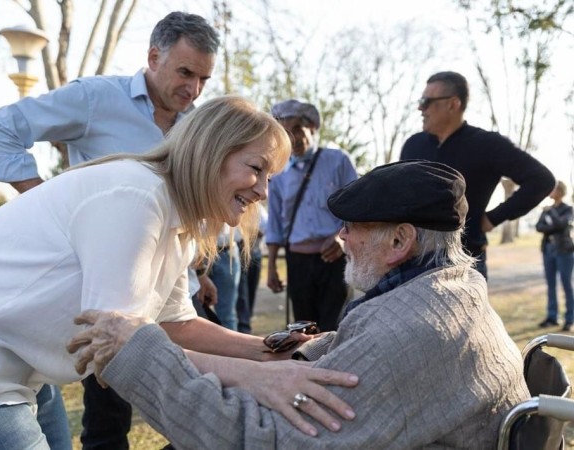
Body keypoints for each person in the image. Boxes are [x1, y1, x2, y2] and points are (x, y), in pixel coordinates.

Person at [0, 96, 360, 449]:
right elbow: (113, 345)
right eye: (257, 169)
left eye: (270, 178)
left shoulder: (178, 220)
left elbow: (175, 324)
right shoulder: (136, 197)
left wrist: (266, 351)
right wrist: (253, 377)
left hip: (22, 371)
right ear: (211, 152)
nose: (263, 192)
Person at [68, 160, 530, 449]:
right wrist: (295, 353)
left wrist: (141, 355)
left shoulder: (409, 330)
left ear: (399, 240)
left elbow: (263, 440)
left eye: (352, 226)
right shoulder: (455, 287)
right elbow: (368, 350)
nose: (341, 238)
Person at [0, 11, 220, 448]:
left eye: (203, 79)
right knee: (106, 418)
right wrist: (43, 199)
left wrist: (198, 271)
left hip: (143, 293)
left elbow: (179, 217)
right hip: (85, 296)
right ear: (153, 56)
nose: (193, 89)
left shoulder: (195, 128)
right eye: (185, 72)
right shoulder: (95, 99)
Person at [400, 71, 555, 279]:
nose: (420, 108)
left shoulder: (487, 144)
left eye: (426, 101)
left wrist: (492, 218)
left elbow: (542, 180)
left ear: (452, 104)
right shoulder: (412, 145)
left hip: (464, 264)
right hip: (410, 262)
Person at [266, 99, 357, 331]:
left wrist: (340, 238)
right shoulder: (277, 172)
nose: (293, 137)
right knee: (303, 329)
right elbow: (275, 221)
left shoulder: (338, 161)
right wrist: (272, 266)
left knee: (335, 326)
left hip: (334, 260)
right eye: (286, 132)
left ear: (312, 128)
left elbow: (357, 209)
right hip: (298, 262)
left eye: (297, 128)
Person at [536, 180, 574, 331]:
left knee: (566, 285)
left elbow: (561, 224)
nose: (550, 192)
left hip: (564, 251)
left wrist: (549, 213)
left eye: (553, 190)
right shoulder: (546, 209)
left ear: (560, 191)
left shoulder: (568, 209)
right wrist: (551, 225)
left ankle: (570, 319)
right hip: (548, 250)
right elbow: (539, 227)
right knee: (550, 285)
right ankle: (552, 317)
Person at [237, 202, 268, 333]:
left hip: (254, 252)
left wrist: (251, 230)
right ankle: (244, 327)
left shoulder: (258, 209)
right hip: (240, 251)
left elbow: (266, 228)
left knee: (251, 290)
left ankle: (246, 321)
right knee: (242, 294)